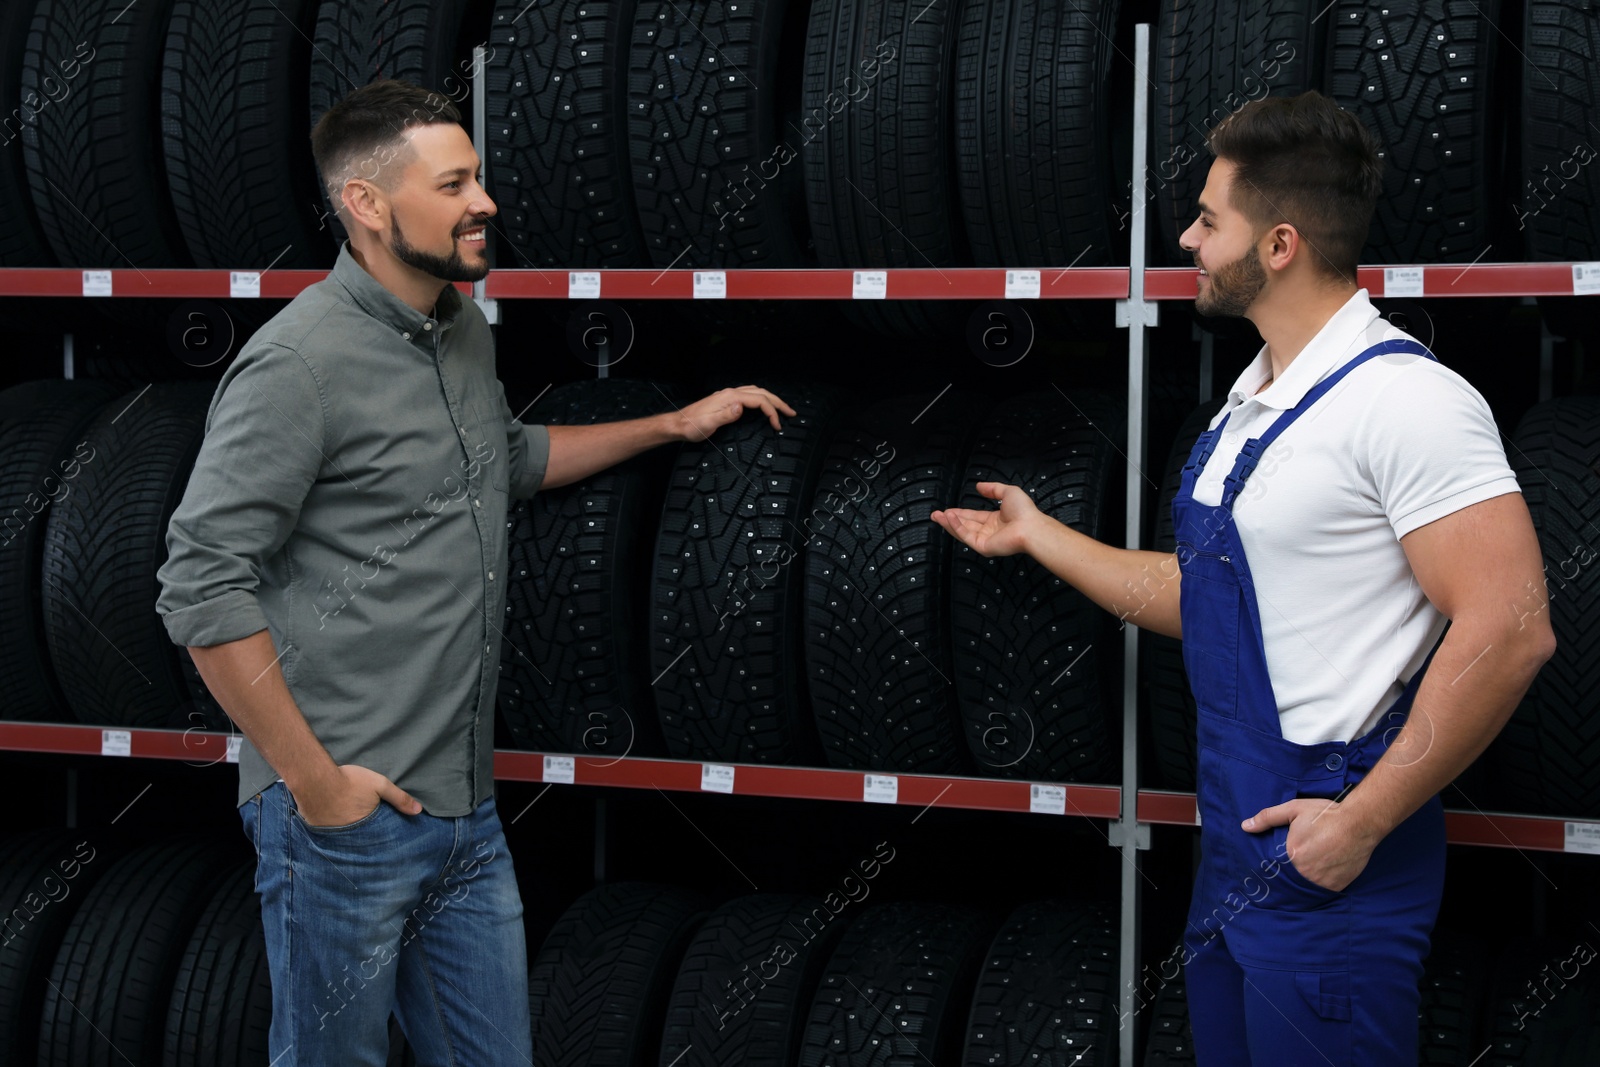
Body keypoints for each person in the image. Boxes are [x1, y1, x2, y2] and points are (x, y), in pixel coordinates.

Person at [155, 79, 794, 1065]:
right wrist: (316, 781)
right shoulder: (299, 363)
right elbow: (198, 585)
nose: (484, 201)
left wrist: (671, 423)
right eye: (453, 182)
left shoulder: (459, 330)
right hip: (343, 815)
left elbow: (509, 456)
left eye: (479, 177)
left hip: (462, 810)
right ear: (368, 204)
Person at [931, 91, 1555, 1064]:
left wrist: (1361, 821)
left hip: (1329, 850)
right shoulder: (1250, 400)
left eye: (1207, 219)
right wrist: (1042, 535)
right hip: (1235, 838)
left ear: (1278, 245)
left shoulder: (1408, 400)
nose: (1183, 238)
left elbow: (1512, 626)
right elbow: (1211, 601)